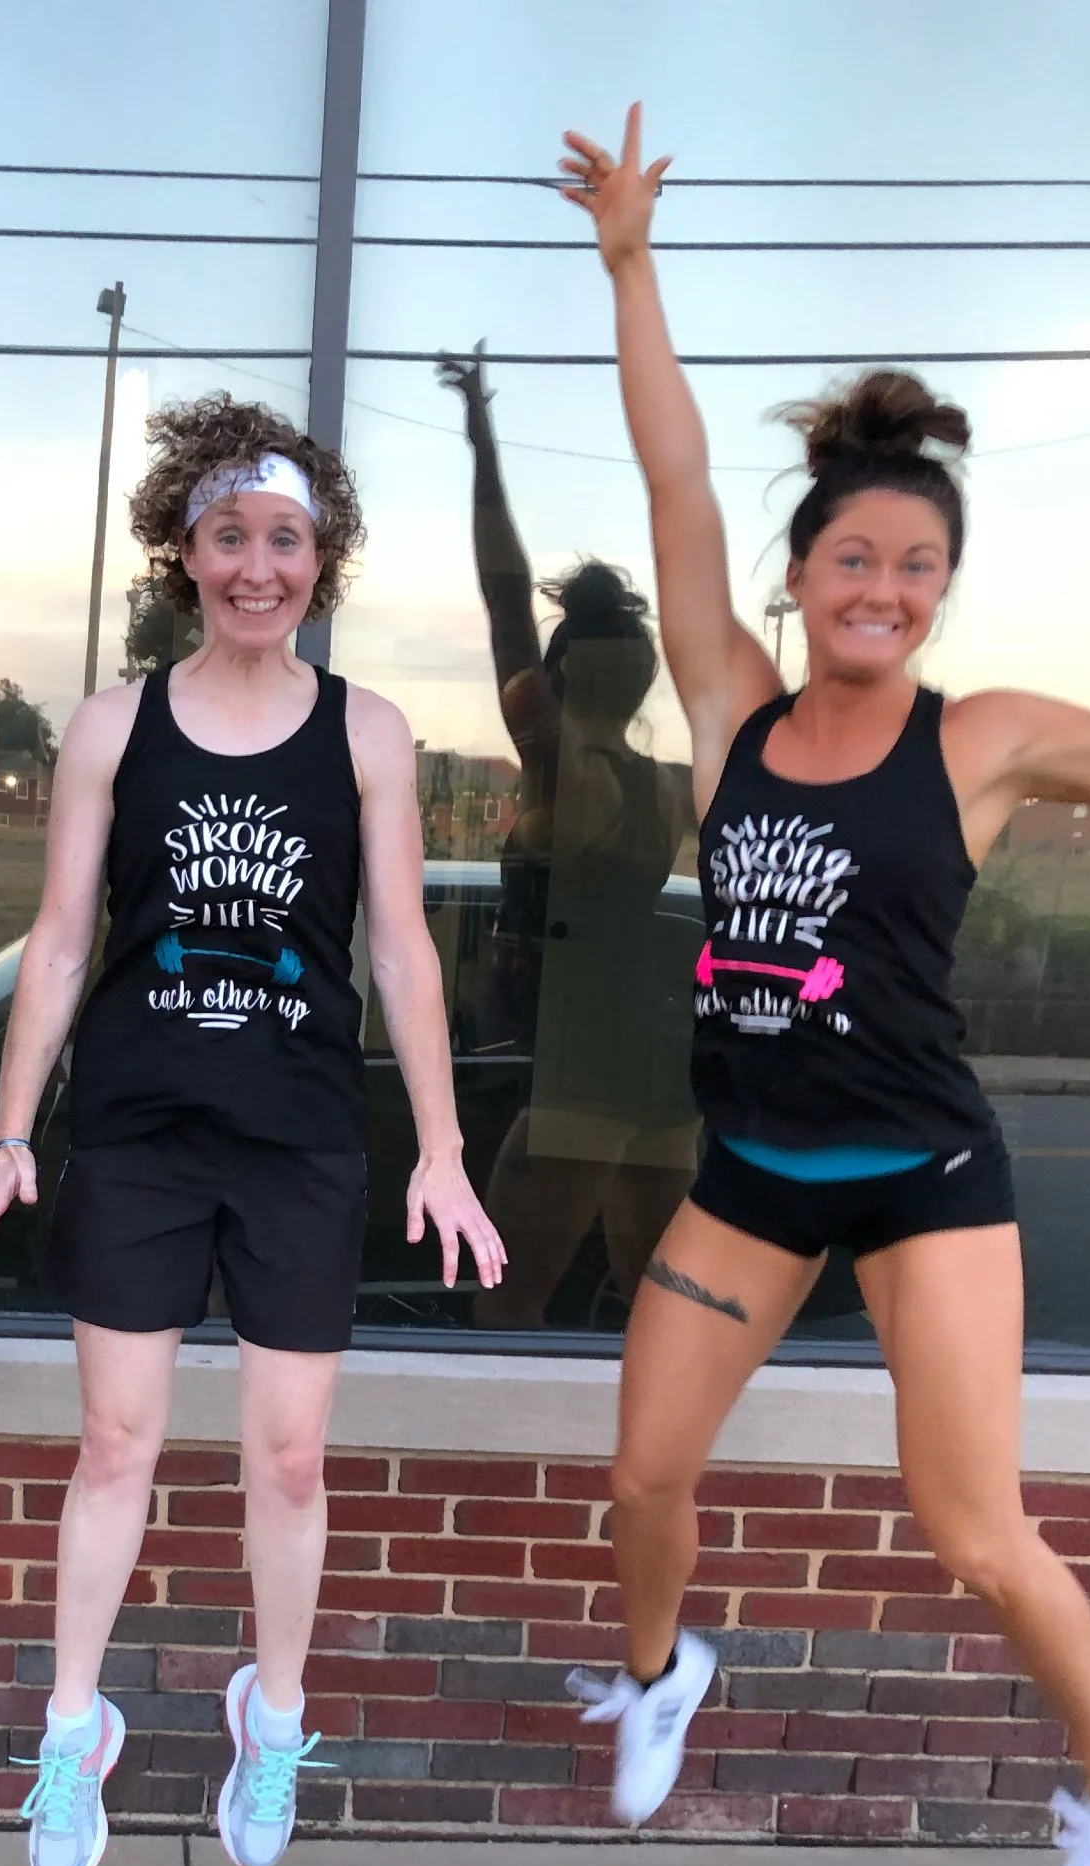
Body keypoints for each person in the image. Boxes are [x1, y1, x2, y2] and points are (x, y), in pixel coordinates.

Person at [561, 107, 1090, 1866]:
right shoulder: (731, 710)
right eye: (851, 560)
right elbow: (674, 483)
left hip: (925, 1177)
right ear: (799, 579)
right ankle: (658, 1677)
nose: (881, 588)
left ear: (939, 590)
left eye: (915, 568)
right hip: (751, 1176)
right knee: (644, 1474)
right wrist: (630, 259)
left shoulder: (983, 735)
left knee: (972, 1529)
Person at [0, 395, 506, 1866]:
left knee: (289, 1459)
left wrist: (438, 1149)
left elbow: (400, 956)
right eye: (227, 537)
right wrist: (10, 1130)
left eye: (285, 539)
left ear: (319, 558)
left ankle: (274, 1713)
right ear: (180, 552)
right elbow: (60, 943)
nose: (257, 565)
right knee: (114, 1442)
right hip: (137, 1134)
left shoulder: (366, 734)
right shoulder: (113, 727)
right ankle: (74, 1730)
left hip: (299, 1142)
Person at [437, 349, 698, 1328]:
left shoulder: (555, 756)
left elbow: (505, 597)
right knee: (657, 1315)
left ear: (554, 677)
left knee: (501, 1319)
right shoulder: (664, 786)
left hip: (579, 1070)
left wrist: (480, 441)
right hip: (656, 1071)